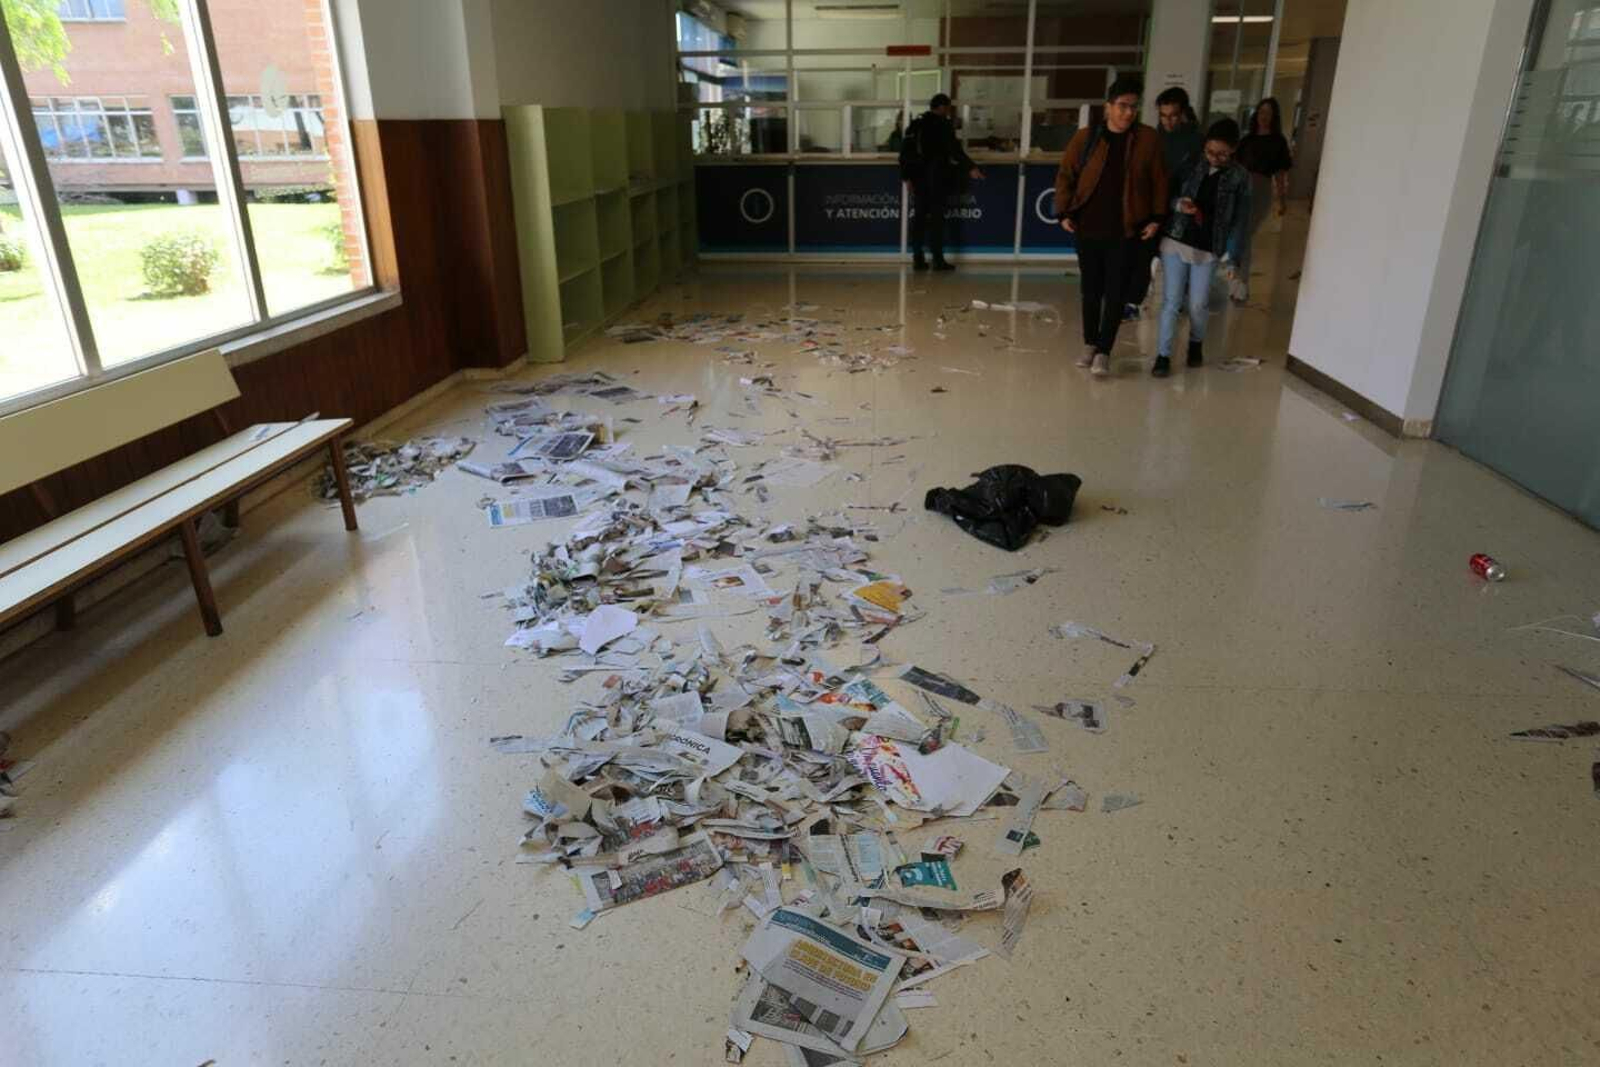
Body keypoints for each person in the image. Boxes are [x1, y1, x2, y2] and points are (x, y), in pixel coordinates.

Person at [1054, 74, 1168, 379]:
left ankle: (1105, 350)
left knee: (1115, 291)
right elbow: (1066, 175)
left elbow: (1158, 180)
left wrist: (1157, 217)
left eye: (1134, 107)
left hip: (1126, 229)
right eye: (1122, 106)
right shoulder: (1086, 137)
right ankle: (1090, 344)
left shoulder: (1147, 139)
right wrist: (1063, 211)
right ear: (1108, 107)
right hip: (1088, 227)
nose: (1128, 112)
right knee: (1090, 289)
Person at [1151, 119, 1251, 378]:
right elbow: (1167, 193)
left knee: (1198, 303)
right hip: (1176, 238)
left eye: (1222, 154)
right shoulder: (1191, 163)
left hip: (1209, 247)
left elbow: (1239, 220)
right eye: (1210, 151)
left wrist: (1232, 257)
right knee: (1171, 301)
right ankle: (1163, 355)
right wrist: (1178, 205)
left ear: (1234, 150)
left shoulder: (1240, 177)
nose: (1214, 158)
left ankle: (1196, 344)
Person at [1124, 86, 1205, 318]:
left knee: (1179, 260)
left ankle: (1178, 302)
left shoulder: (1196, 141)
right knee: (1142, 256)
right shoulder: (1151, 138)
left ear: (1184, 113)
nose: (1168, 121)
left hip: (1182, 211)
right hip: (1152, 209)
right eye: (1163, 115)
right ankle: (1132, 303)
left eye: (1173, 116)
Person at [900, 93, 983, 271]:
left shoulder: (916, 124)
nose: (948, 111)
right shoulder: (943, 125)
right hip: (937, 179)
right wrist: (971, 167)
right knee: (937, 220)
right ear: (942, 107)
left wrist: (906, 177)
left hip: (919, 179)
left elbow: (904, 153)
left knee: (920, 219)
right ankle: (938, 260)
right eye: (947, 108)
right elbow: (954, 149)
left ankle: (918, 258)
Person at [1233, 97, 1292, 302]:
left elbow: (1281, 173)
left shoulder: (1278, 141)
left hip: (1261, 189)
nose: (1263, 116)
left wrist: (1282, 199)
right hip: (1241, 188)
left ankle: (1242, 283)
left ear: (1274, 116)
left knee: (1245, 234)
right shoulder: (1247, 140)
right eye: (1261, 112)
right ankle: (1236, 278)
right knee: (1238, 234)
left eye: (1268, 112)